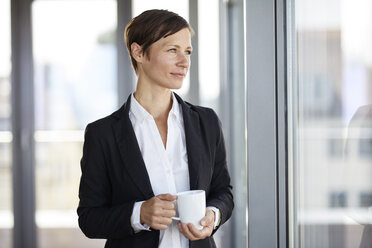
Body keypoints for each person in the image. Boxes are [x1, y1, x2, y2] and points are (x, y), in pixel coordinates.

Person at [77, 9, 234, 248]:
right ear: (138, 52)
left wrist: (212, 215)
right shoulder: (103, 134)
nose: (184, 62)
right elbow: (89, 219)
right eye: (172, 50)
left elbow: (223, 192)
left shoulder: (206, 122)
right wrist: (138, 214)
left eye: (188, 51)